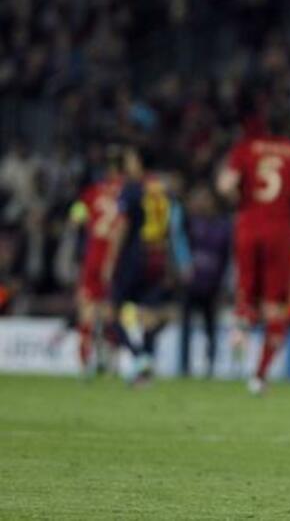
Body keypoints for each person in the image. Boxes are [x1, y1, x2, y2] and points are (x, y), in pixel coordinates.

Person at [216, 104, 290, 395]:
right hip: (280, 232)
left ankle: (239, 328)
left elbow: (225, 186)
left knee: (246, 293)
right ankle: (259, 376)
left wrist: (240, 199)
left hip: (247, 227)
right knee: (275, 307)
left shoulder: (246, 149)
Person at [106, 146, 191, 385]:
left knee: (111, 312)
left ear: (140, 163)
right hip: (158, 256)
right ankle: (145, 370)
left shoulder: (133, 189)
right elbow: (173, 226)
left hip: (134, 254)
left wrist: (111, 260)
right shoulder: (162, 190)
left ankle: (138, 356)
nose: (127, 164)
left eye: (131, 159)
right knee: (150, 314)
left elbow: (123, 227)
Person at [67, 152, 124, 375]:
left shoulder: (92, 193)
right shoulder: (124, 192)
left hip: (93, 257)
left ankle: (84, 363)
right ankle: (112, 363)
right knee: (111, 313)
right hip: (115, 260)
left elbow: (75, 218)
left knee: (87, 311)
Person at [179, 183, 231, 378]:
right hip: (192, 283)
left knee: (211, 327)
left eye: (206, 199)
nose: (203, 203)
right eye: (199, 199)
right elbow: (180, 249)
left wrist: (224, 283)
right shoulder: (189, 224)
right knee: (187, 327)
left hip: (212, 284)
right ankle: (185, 366)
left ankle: (211, 366)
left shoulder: (223, 227)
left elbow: (227, 259)